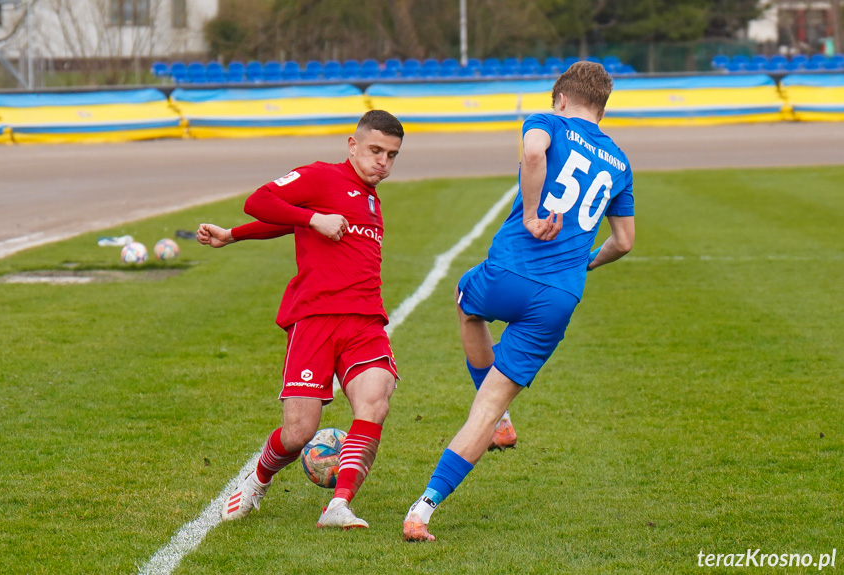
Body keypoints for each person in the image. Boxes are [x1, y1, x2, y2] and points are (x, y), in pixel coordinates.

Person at [402, 62, 635, 541]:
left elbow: (533, 155)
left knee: (467, 302)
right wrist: (583, 264)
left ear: (562, 99)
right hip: (560, 296)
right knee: (485, 409)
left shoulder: (547, 122)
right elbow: (625, 242)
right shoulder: (620, 163)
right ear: (603, 107)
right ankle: (421, 511)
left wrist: (531, 215)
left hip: (509, 272)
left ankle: (502, 420)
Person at [197, 110, 404, 529]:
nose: (382, 161)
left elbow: (294, 225)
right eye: (375, 150)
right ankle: (257, 480)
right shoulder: (322, 176)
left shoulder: (370, 197)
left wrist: (236, 234)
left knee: (375, 401)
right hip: (315, 319)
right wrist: (311, 218)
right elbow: (261, 202)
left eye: (392, 155)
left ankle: (339, 505)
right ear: (353, 145)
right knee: (298, 432)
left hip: (365, 320)